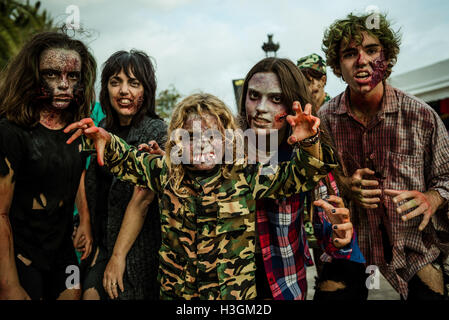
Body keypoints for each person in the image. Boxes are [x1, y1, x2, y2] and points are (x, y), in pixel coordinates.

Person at [65, 92, 338, 299]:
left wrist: (310, 141)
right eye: (190, 136)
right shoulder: (165, 172)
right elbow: (129, 161)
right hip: (178, 295)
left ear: (229, 139)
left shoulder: (247, 174)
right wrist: (106, 140)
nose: (201, 143)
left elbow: (303, 174)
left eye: (211, 135)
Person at [319, 12, 449, 300]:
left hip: (413, 246)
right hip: (350, 247)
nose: (362, 60)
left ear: (386, 59)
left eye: (372, 50)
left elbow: (446, 179)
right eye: (350, 53)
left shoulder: (421, 116)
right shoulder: (325, 120)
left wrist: (432, 198)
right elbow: (316, 179)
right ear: (339, 66)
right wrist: (345, 185)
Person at [238, 57, 366, 300]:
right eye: (253, 95)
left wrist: (340, 236)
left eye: (276, 99)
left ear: (293, 103)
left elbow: (331, 233)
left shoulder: (308, 156)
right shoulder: (224, 147)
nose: (260, 108)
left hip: (283, 284)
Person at [0, 31, 96, 300]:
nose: (64, 84)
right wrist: (8, 284)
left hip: (62, 253)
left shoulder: (77, 128)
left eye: (73, 76)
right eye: (52, 74)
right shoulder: (11, 132)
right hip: (20, 256)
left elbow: (76, 171)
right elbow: (0, 214)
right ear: (33, 76)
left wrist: (85, 221)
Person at [81, 50, 167, 300]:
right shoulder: (103, 129)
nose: (123, 91)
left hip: (139, 252)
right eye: (115, 82)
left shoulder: (156, 130)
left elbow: (142, 199)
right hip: (104, 246)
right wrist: (87, 227)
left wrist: (117, 258)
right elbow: (83, 175)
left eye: (134, 83)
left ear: (146, 90)